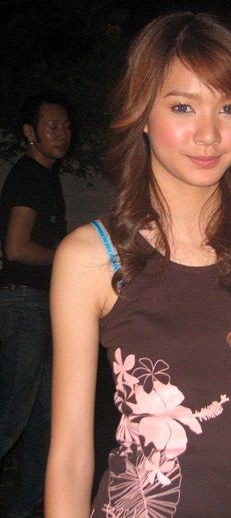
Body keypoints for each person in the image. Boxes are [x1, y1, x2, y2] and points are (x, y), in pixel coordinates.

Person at [45, 12, 231, 517]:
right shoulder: (89, 256)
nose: (209, 134)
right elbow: (70, 457)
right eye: (183, 107)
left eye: (229, 108)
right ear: (143, 114)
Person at [0, 94, 71, 516]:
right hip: (23, 304)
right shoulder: (29, 175)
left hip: (39, 305)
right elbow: (16, 248)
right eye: (53, 126)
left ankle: (24, 507)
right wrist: (67, 255)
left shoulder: (46, 178)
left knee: (45, 416)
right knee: (13, 412)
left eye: (66, 126)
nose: (63, 134)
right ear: (30, 133)